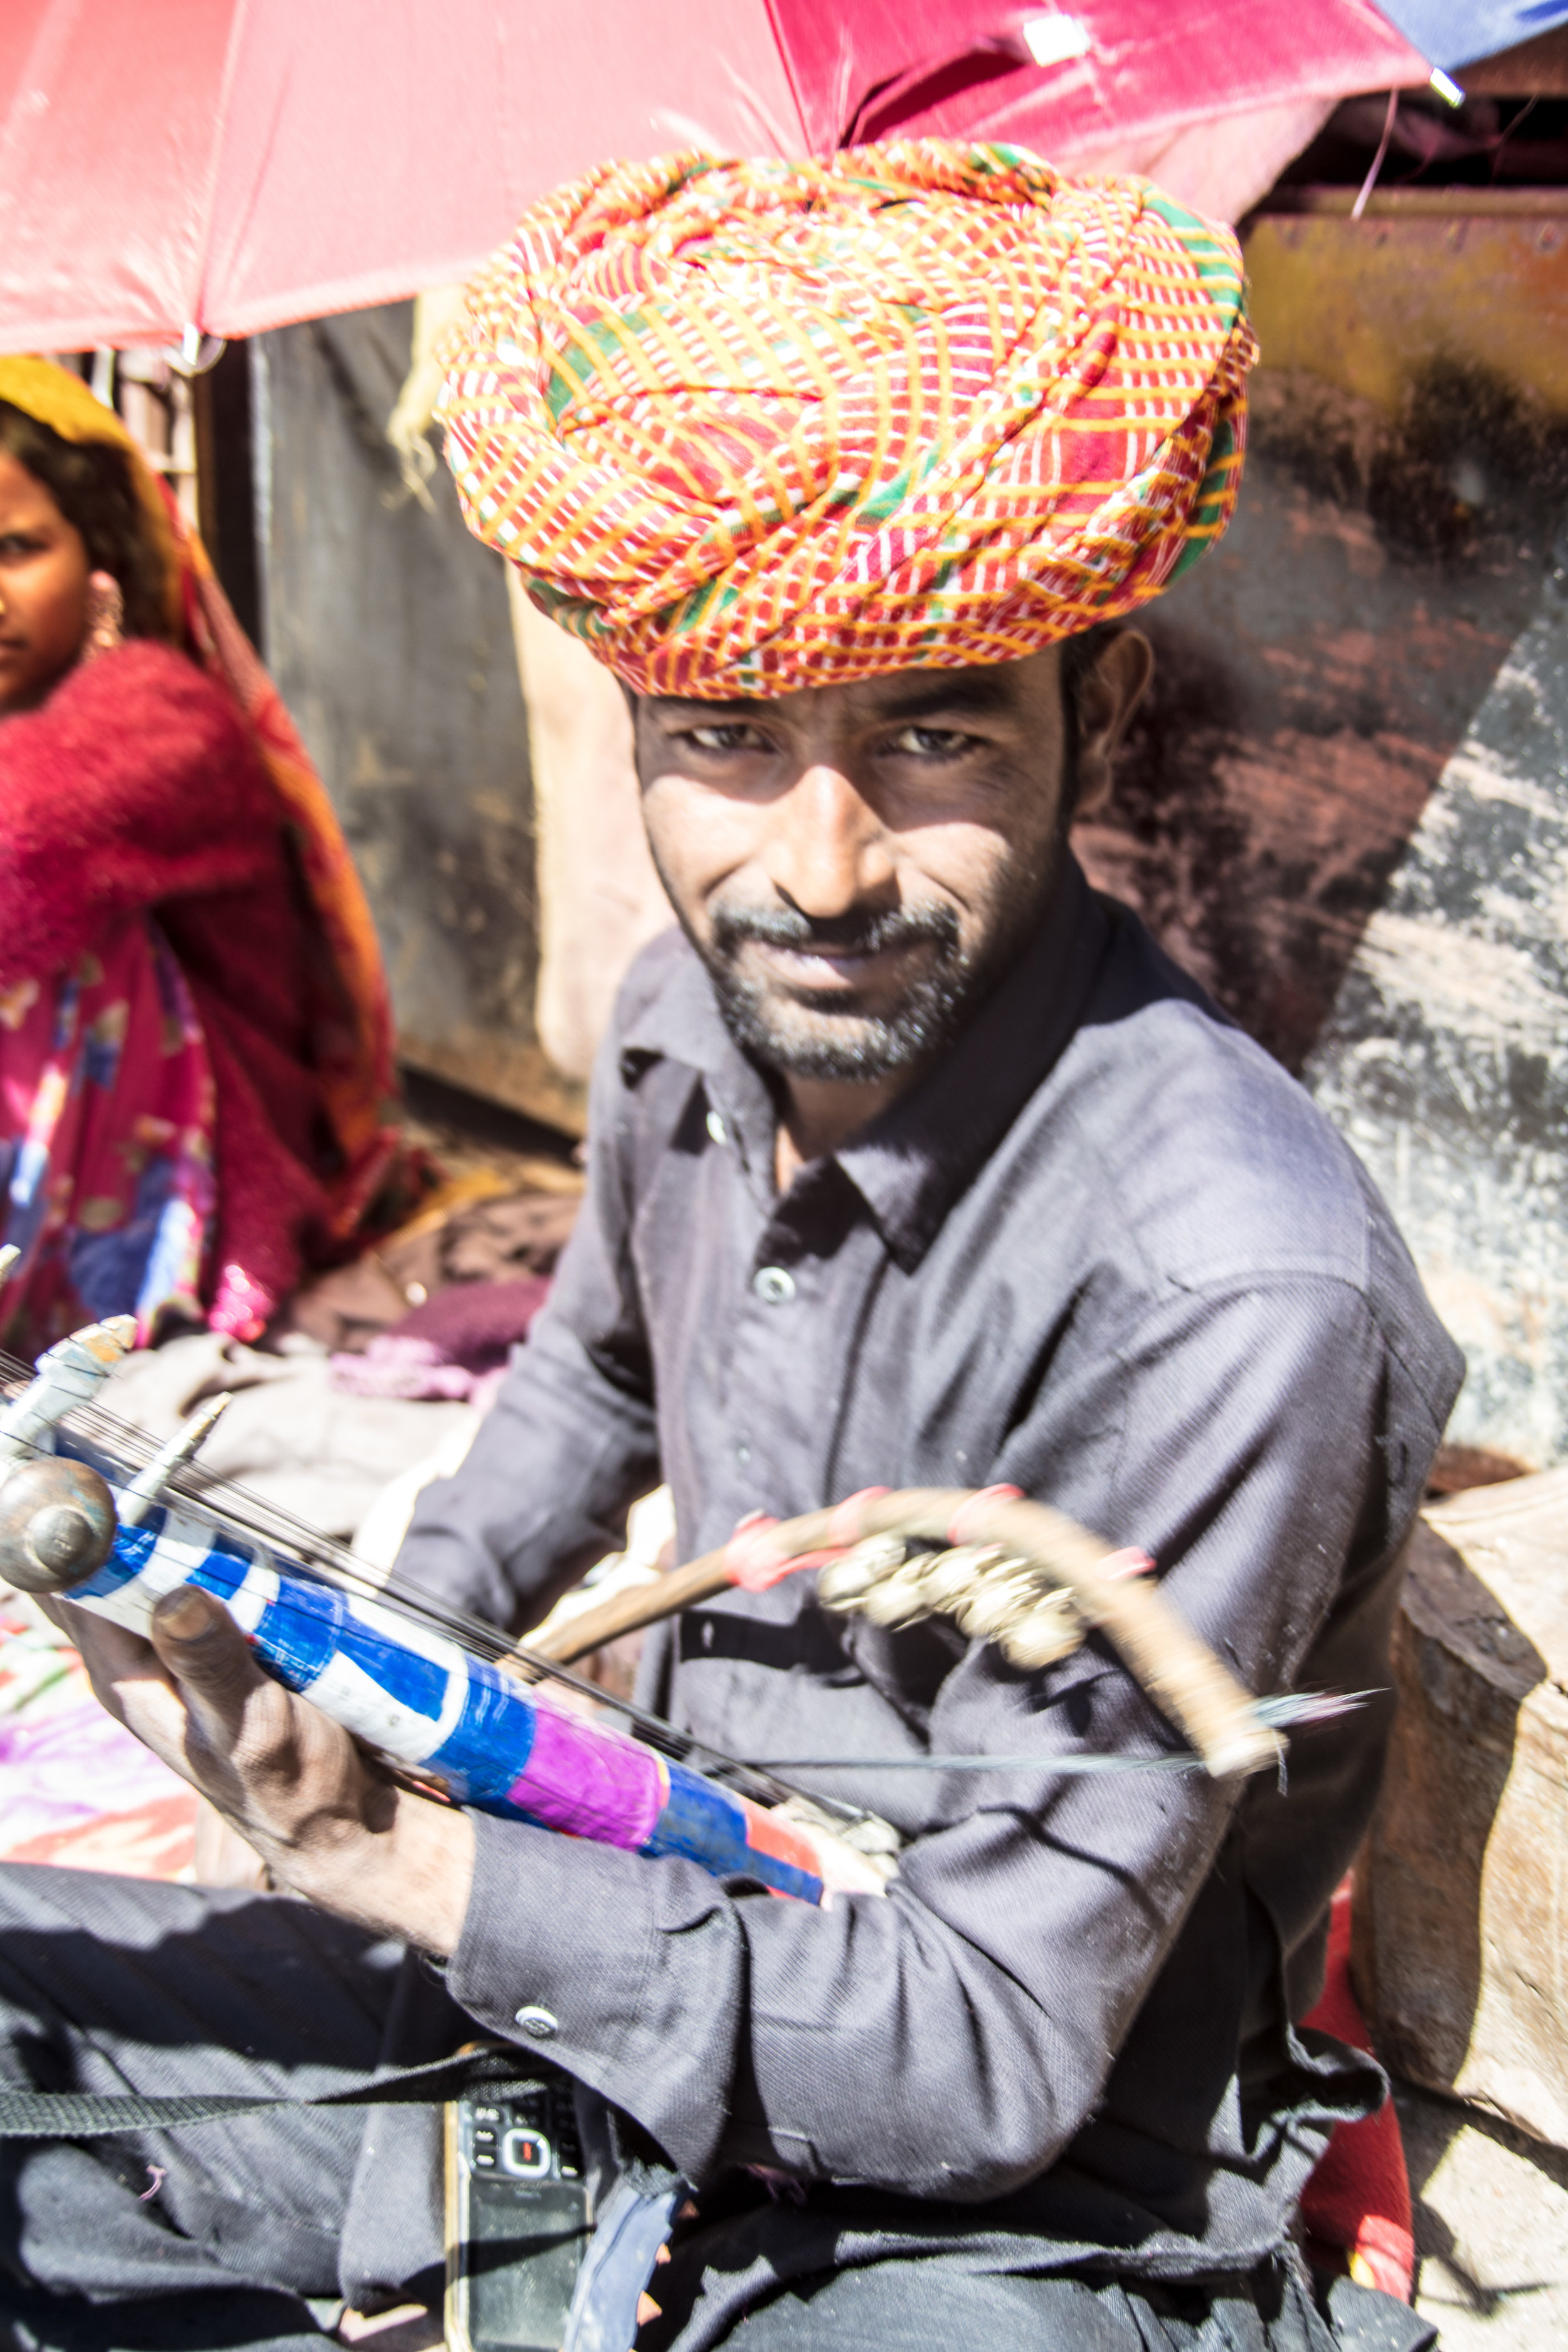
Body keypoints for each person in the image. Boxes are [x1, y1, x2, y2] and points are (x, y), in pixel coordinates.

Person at [0, 151, 1458, 2351]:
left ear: (1103, 715)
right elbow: (590, 1384)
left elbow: (983, 2048)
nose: (826, 865)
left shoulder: (1229, 1289)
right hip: (587, 2004)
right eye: (728, 741)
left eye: (937, 731)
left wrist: (406, 1865)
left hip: (990, 2209)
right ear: (637, 729)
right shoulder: (701, 1012)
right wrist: (394, 1652)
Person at [0, 358, 406, 1356]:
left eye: (15, 547)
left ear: (104, 569)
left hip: (204, 1212)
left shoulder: (161, 712)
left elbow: (16, 854)